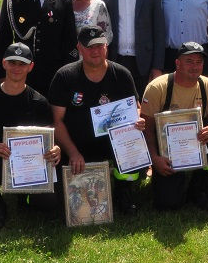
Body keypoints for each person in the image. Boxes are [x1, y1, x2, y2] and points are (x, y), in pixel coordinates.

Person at [0, 42, 62, 227]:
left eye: (22, 64)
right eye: (12, 62)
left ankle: (24, 198)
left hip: (29, 167)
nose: (17, 68)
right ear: (3, 63)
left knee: (50, 203)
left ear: (30, 67)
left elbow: (51, 140)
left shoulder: (39, 102)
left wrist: (55, 149)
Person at [47, 26, 144, 215]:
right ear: (79, 48)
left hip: (112, 144)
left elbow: (136, 108)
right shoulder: (65, 76)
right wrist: (73, 152)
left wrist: (138, 119)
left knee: (134, 145)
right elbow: (56, 121)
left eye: (100, 45)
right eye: (90, 46)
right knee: (57, 202)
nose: (95, 51)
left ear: (106, 46)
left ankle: (123, 192)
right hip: (76, 147)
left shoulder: (121, 74)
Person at [140, 42, 208, 210]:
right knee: (168, 204)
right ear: (177, 63)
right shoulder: (157, 87)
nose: (195, 66)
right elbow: (147, 128)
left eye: (199, 62)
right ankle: (174, 183)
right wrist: (154, 159)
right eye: (189, 61)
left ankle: (200, 185)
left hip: (198, 145)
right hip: (166, 152)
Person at [0, 0, 78, 97]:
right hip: (22, 73)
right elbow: (3, 40)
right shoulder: (13, 1)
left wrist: (69, 73)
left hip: (55, 73)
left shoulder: (63, 1)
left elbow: (70, 42)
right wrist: (2, 75)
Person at [101, 0, 166, 96]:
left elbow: (159, 31)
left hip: (144, 63)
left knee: (142, 107)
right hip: (115, 60)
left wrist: (157, 67)